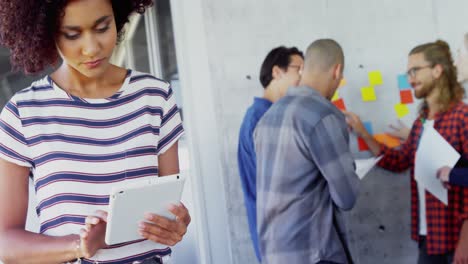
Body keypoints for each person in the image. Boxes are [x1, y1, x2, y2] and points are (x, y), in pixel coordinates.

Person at [0, 0, 190, 263]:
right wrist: (81, 245)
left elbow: (166, 209)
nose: (92, 48)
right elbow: (6, 244)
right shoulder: (23, 112)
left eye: (103, 28)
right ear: (46, 33)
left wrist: (174, 225)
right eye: (73, 34)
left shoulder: (155, 97)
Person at [345, 40, 468, 264]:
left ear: (437, 70)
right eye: (408, 72)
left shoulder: (462, 117)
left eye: (415, 70)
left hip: (457, 241)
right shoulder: (421, 122)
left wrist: (466, 240)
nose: (410, 79)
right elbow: (400, 161)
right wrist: (363, 132)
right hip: (428, 236)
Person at [255, 39, 359, 264]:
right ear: (337, 70)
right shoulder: (323, 115)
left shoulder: (267, 118)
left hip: (274, 254)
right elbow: (347, 197)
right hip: (314, 254)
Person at [237, 46, 303, 262]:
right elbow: (281, 181)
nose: (303, 77)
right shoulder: (261, 119)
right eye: (298, 69)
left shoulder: (270, 116)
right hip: (279, 238)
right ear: (277, 72)